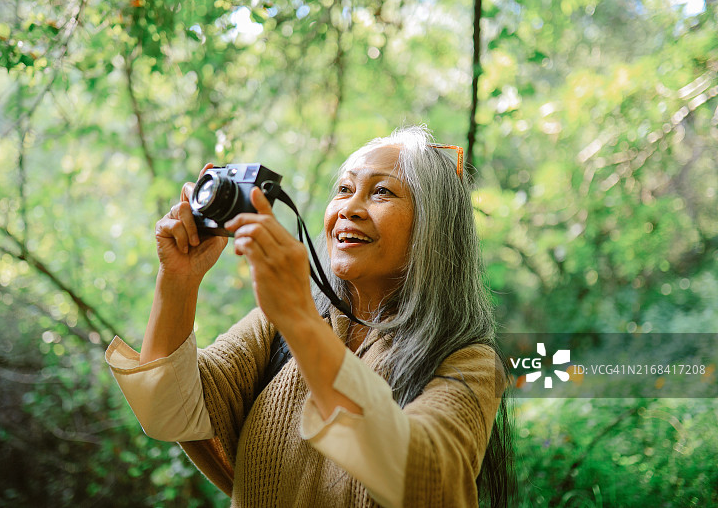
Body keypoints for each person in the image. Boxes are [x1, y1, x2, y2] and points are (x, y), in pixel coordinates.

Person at [105, 125, 512, 507]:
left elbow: (431, 485)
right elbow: (166, 411)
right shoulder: (275, 326)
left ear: (434, 226)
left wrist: (298, 321)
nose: (350, 208)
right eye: (344, 189)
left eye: (382, 192)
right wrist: (178, 280)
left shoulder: (469, 361)